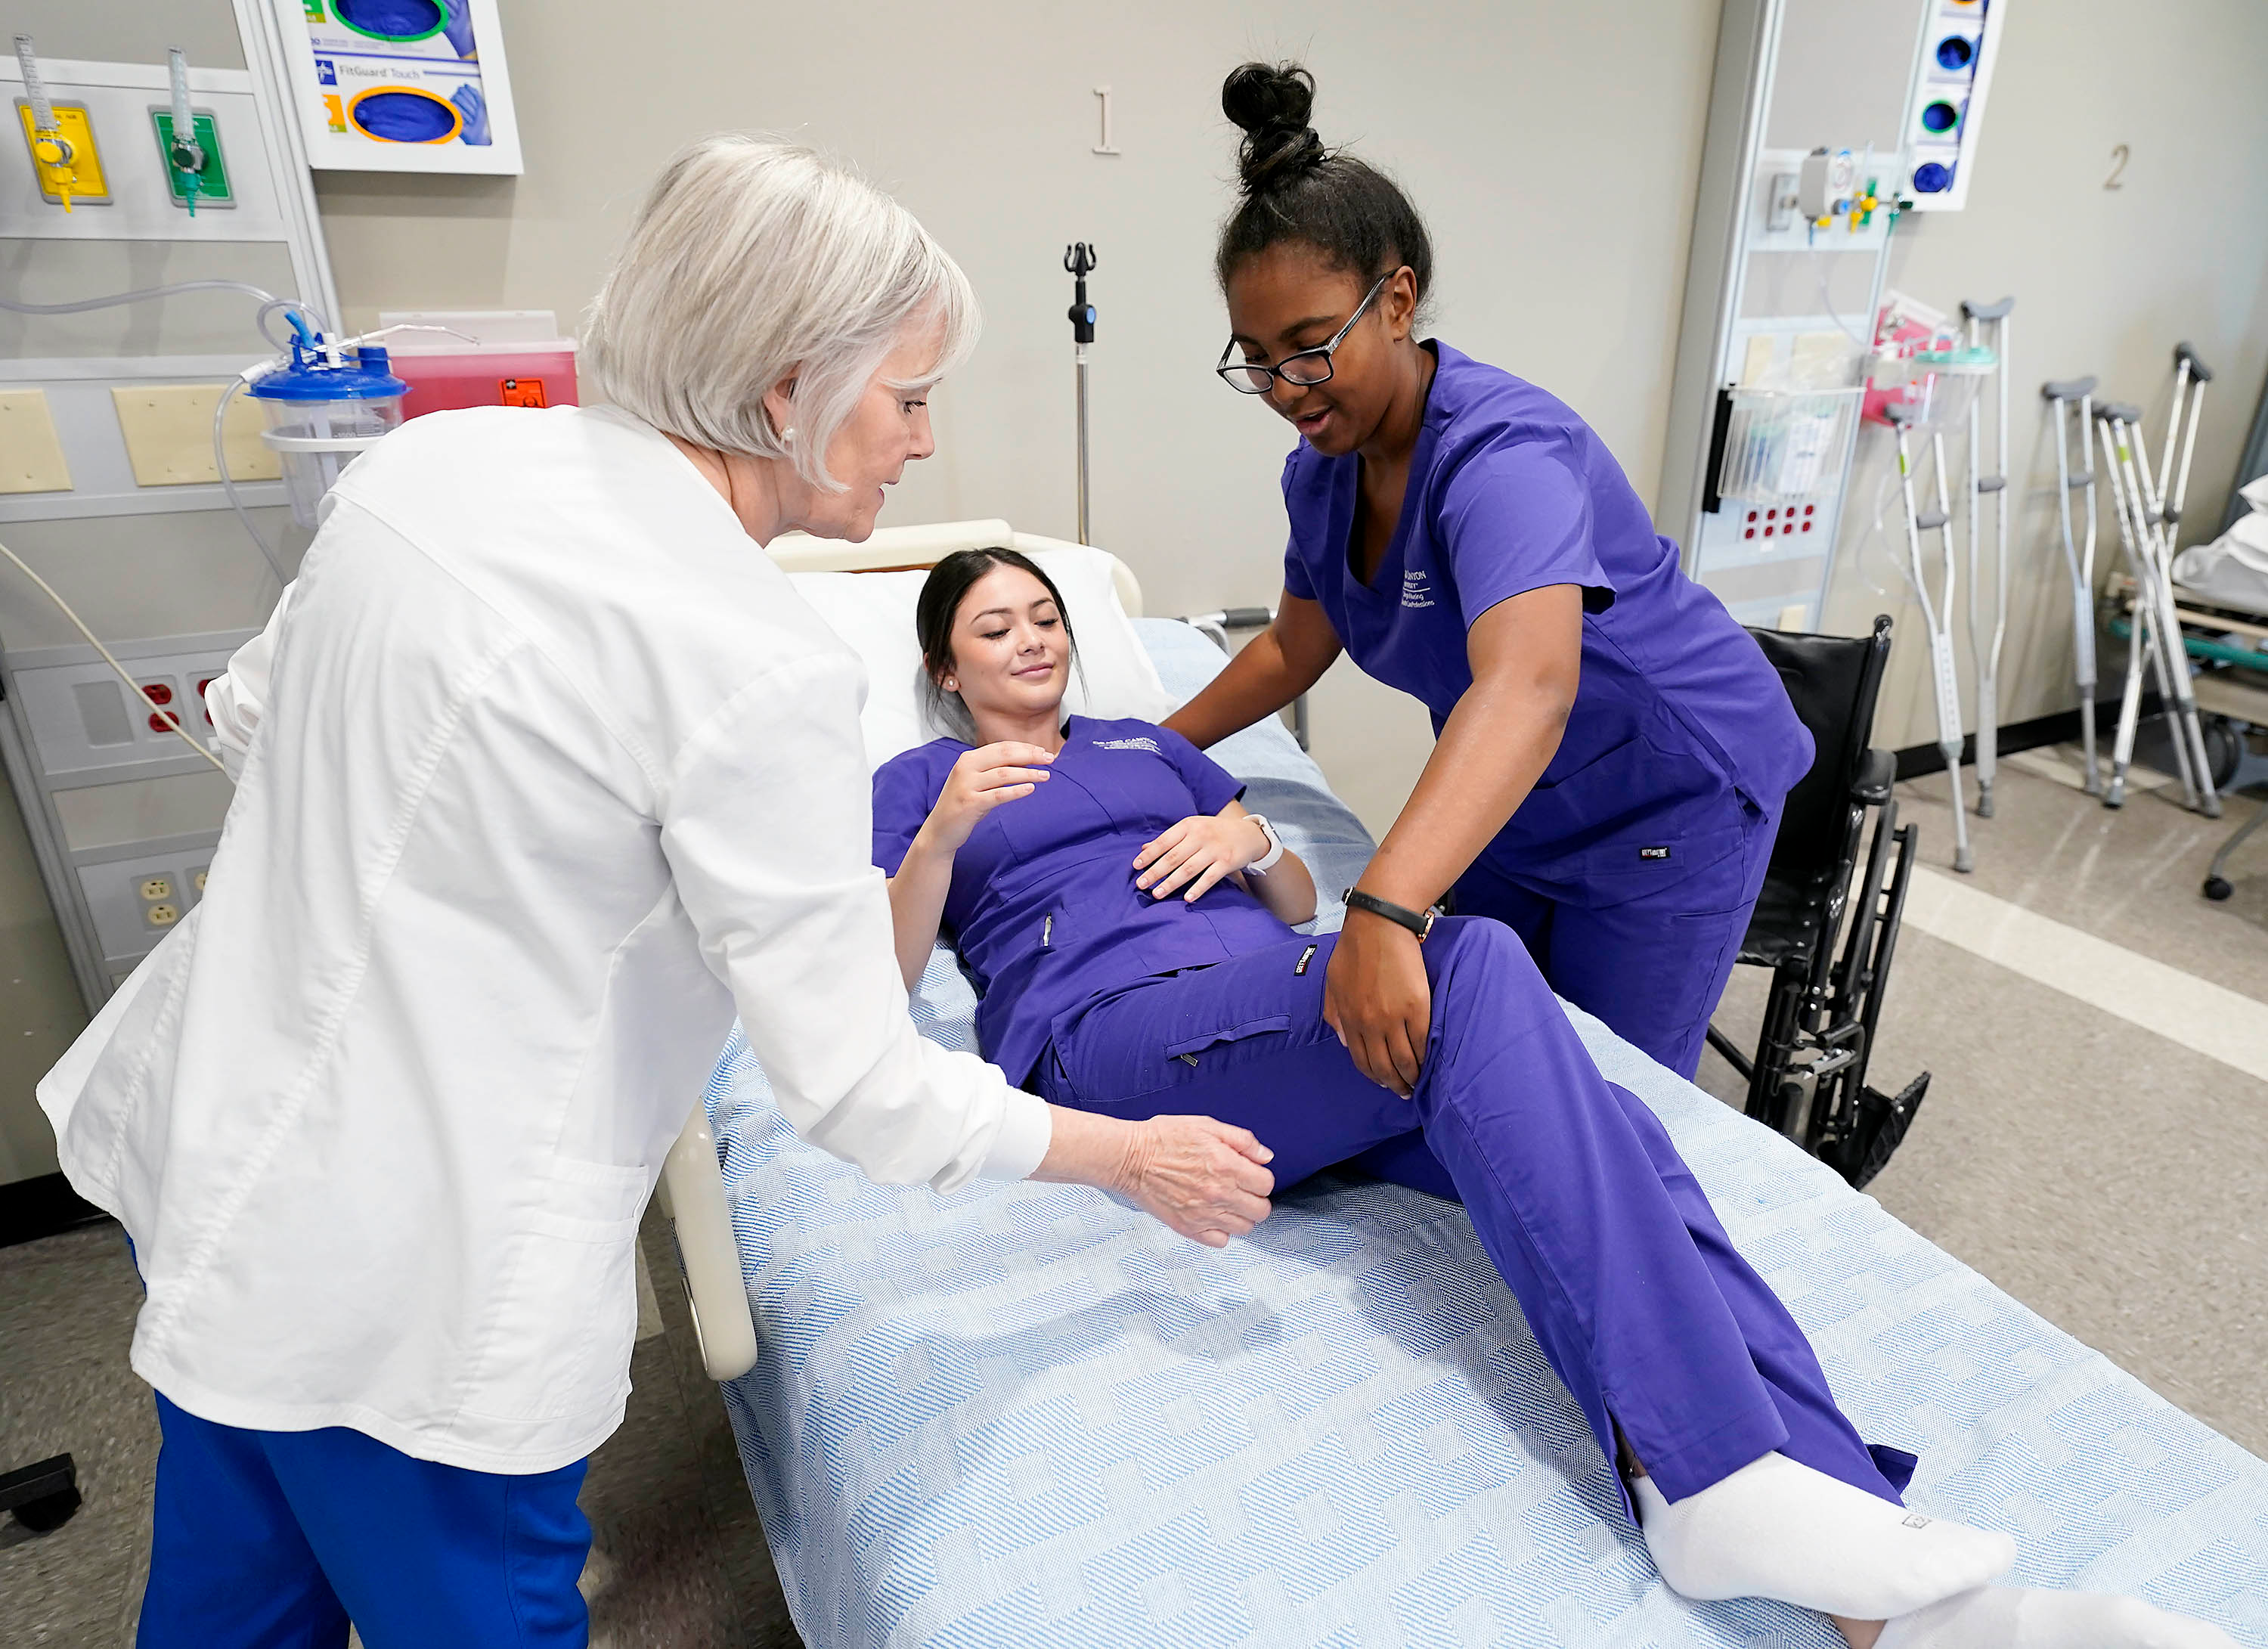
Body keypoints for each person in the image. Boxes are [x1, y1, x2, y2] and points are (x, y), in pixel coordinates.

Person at [34, 137, 1271, 1648]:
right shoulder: (757, 665)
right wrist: (1132, 1159)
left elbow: (247, 718)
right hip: (411, 1284)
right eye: (909, 396)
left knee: (236, 1595)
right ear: (786, 394)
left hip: (211, 1154)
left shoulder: (430, 466)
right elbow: (862, 1091)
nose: (924, 444)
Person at [873, 547, 2236, 1649]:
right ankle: (1709, 1475)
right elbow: (880, 970)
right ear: (948, 665)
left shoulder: (1155, 749)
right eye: (997, 629)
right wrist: (941, 838)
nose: (1035, 641)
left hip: (1286, 1005)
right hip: (1120, 1040)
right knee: (1461, 956)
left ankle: (1904, 1609)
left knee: (1616, 1134)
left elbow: (1300, 900)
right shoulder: (922, 783)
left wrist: (1253, 836)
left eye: (1046, 616)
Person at [1164, 61, 1811, 1128]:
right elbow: (1292, 650)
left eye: (1312, 345)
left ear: (1399, 300)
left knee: (1606, 1107)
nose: (1286, 388)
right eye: (1258, 359)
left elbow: (1528, 687)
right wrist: (1147, 746)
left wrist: (1384, 902)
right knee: (1486, 1056)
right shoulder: (1322, 469)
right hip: (1522, 797)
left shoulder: (1502, 455)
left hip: (1667, 790)